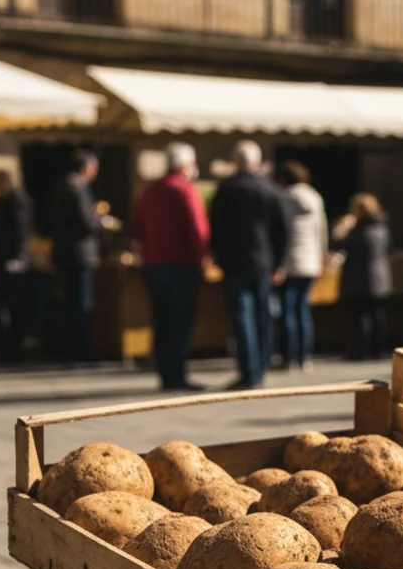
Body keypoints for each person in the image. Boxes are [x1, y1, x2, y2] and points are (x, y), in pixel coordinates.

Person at [209, 141, 291, 390]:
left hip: (235, 263)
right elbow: (284, 229)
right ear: (257, 162)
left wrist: (219, 256)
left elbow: (215, 227)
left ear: (235, 161)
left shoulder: (226, 189)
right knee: (263, 316)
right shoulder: (270, 189)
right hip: (263, 263)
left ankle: (249, 371)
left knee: (243, 318)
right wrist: (280, 262)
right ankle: (261, 367)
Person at [133, 143, 210, 391]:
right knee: (180, 322)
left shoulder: (150, 191)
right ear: (186, 165)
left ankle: (166, 374)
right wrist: (202, 258)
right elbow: (198, 230)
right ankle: (176, 374)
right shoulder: (185, 190)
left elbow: (138, 228)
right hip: (182, 264)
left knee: (162, 320)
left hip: (155, 263)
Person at [49, 150, 111, 364]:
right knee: (80, 305)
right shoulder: (77, 190)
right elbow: (86, 224)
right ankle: (79, 351)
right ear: (87, 168)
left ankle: (69, 349)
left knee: (69, 302)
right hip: (79, 255)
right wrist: (100, 220)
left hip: (64, 253)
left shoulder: (60, 187)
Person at [276, 161, 326, 371]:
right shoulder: (315, 197)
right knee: (303, 309)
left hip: (290, 261)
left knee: (287, 310)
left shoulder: (285, 197)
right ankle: (305, 356)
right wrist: (321, 256)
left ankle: (289, 356)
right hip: (310, 260)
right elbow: (321, 230)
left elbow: (281, 232)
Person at [332, 194, 392, 360]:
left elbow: (338, 243)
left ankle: (359, 349)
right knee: (376, 314)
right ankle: (378, 348)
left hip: (359, 277)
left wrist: (343, 227)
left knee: (359, 316)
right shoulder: (382, 227)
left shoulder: (358, 231)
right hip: (380, 277)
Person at [0, 170, 32, 361]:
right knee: (4, 303)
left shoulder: (16, 201)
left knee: (13, 303)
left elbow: (18, 231)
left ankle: (13, 345)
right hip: (4, 259)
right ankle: (7, 344)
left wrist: (16, 257)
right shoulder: (4, 201)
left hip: (12, 259)